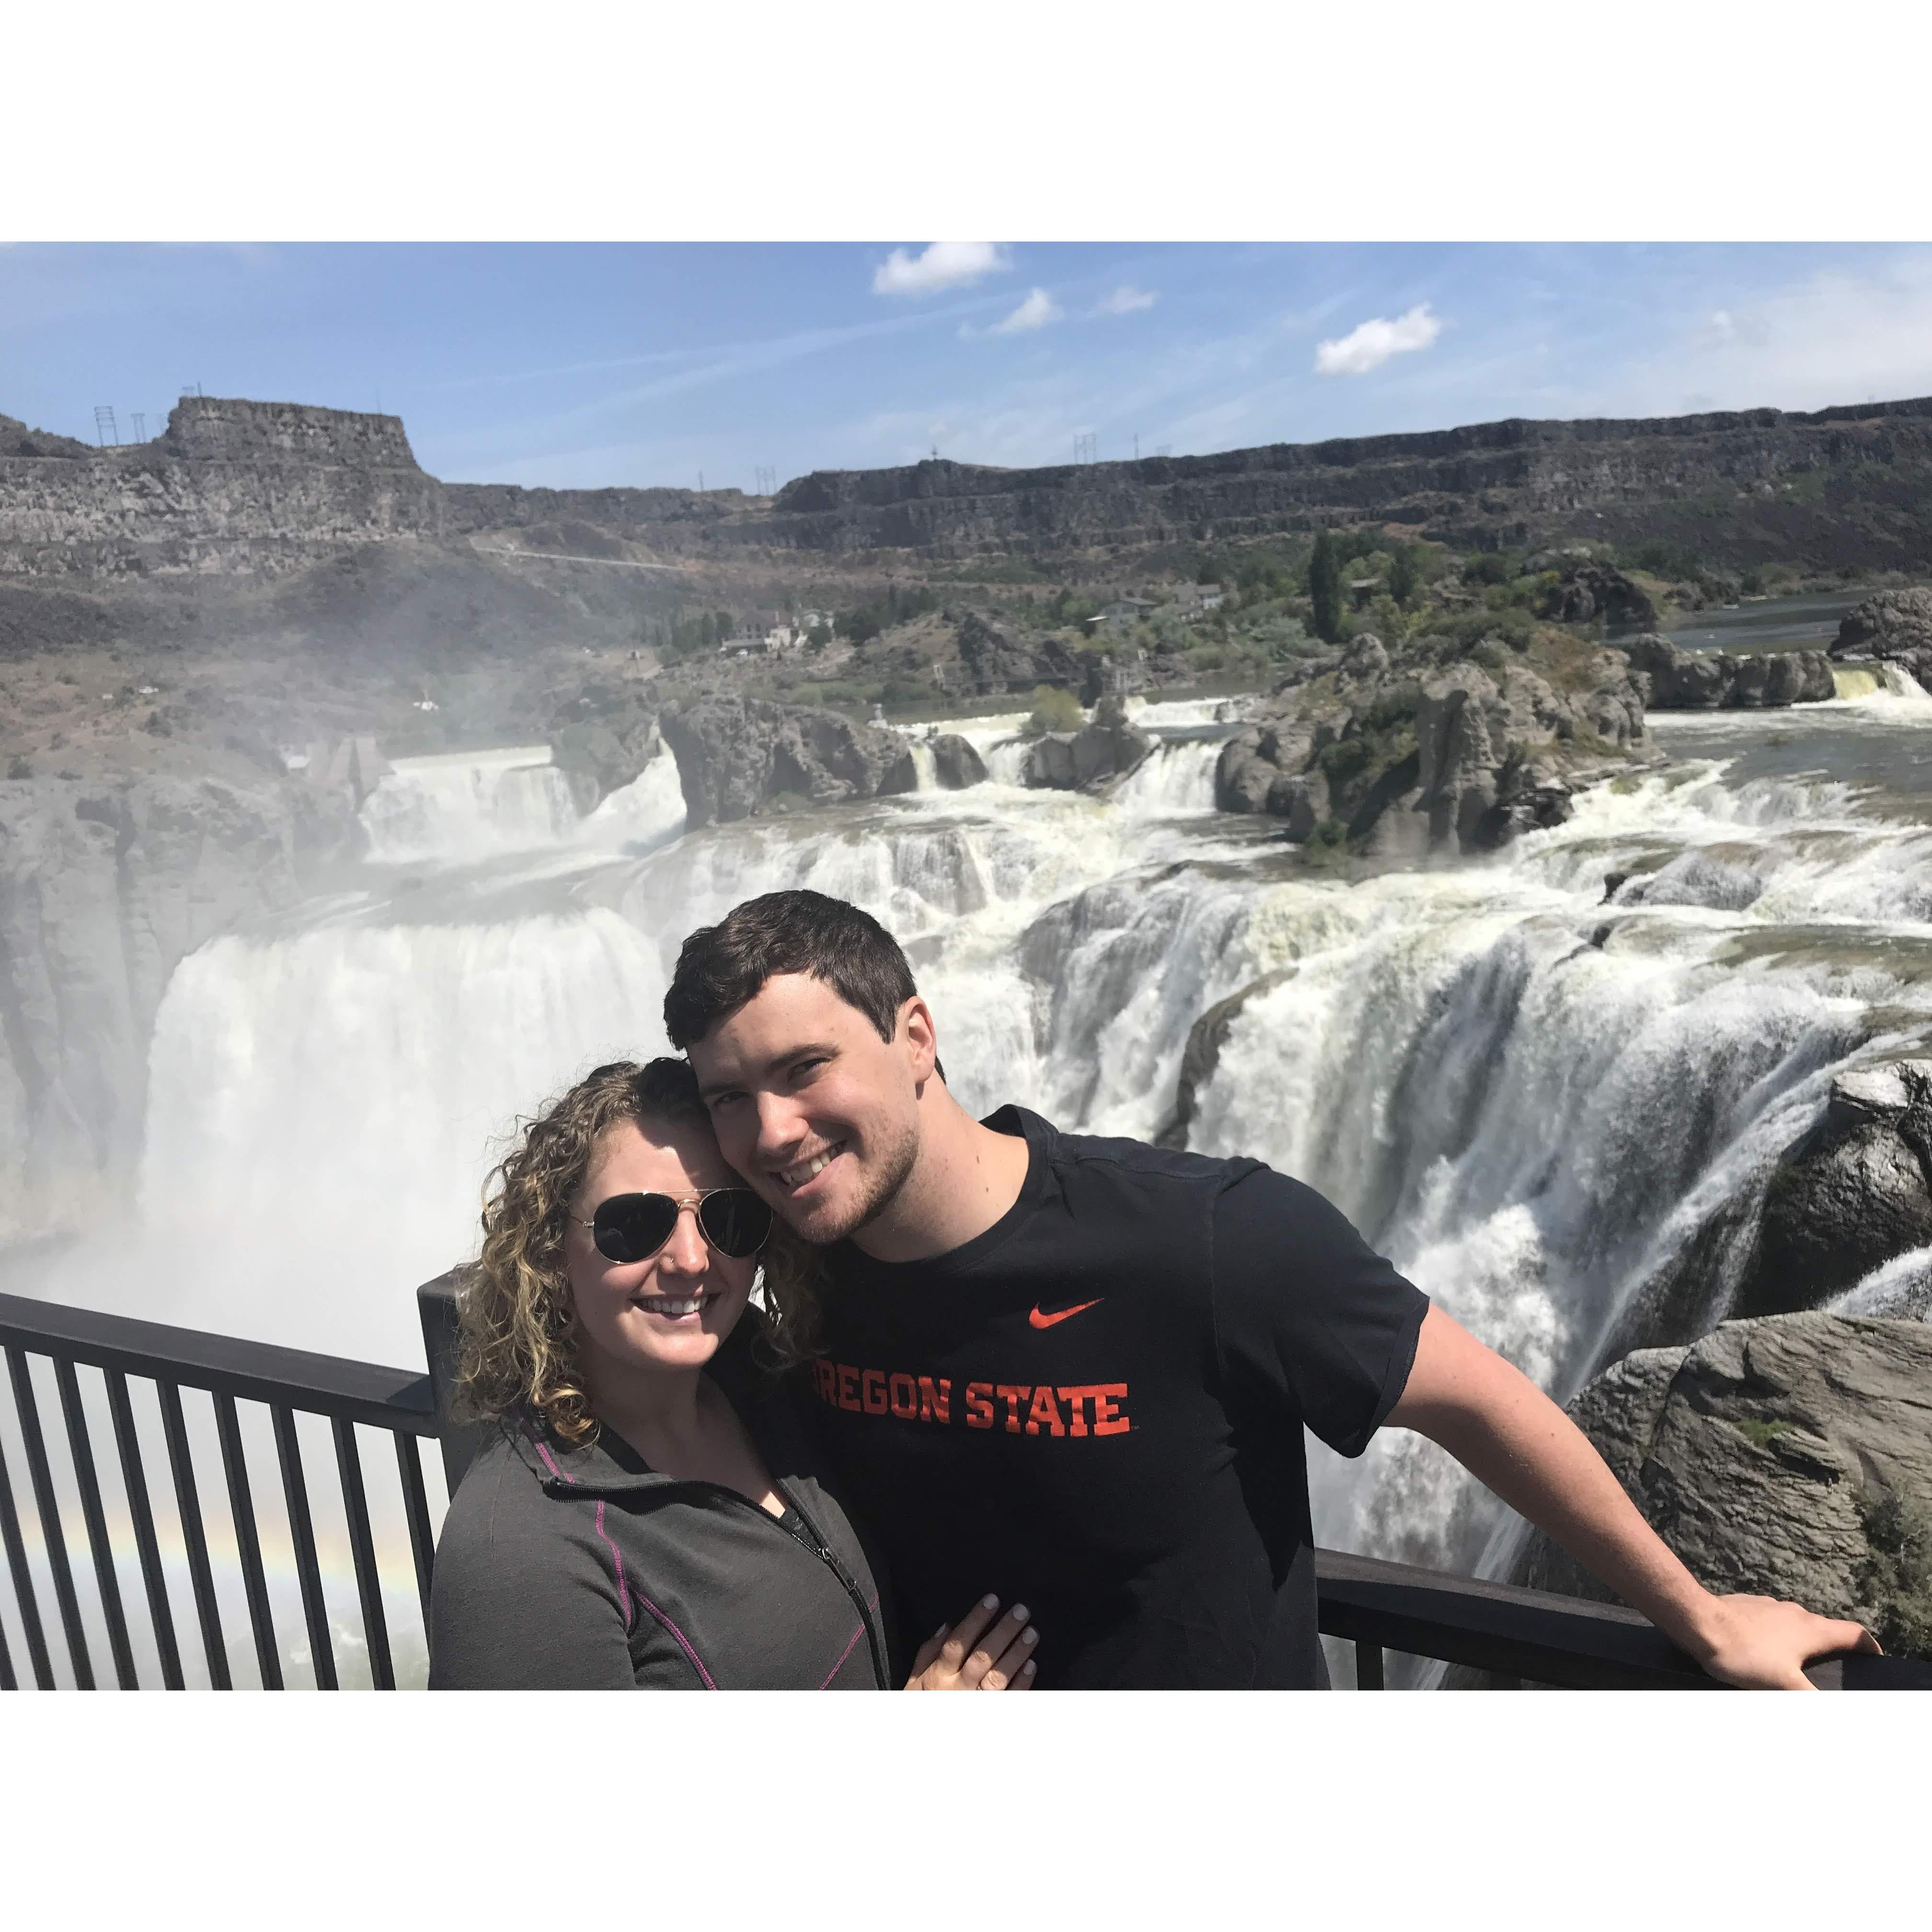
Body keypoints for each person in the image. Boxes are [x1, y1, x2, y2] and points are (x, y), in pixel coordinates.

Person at [667, 888, 1881, 1690]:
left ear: (917, 1036)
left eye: (804, 1068)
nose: (771, 1131)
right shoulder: (776, 1272)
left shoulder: (1207, 1238)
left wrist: (1703, 1615)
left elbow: (1479, 1399)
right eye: (729, 1095)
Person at [428, 1056, 1040, 1690]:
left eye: (728, 1218)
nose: (693, 1260)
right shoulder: (519, 1553)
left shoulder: (761, 1376)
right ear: (553, 1250)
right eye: (636, 1223)